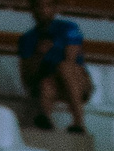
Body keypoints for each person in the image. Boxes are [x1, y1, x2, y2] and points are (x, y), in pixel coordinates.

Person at [16, 0, 90, 133]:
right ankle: (46, 121)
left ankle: (79, 122)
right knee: (45, 84)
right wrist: (38, 55)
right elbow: (27, 79)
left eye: (47, 6)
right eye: (38, 6)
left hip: (78, 84)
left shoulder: (69, 28)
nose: (43, 10)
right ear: (32, 10)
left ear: (55, 8)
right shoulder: (27, 39)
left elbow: (71, 60)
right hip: (51, 84)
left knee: (64, 67)